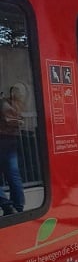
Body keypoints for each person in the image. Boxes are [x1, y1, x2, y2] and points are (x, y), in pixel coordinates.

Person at [0, 83, 27, 215]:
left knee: (13, 175)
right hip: (11, 140)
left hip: (3, 140)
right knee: (13, 175)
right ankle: (18, 206)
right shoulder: (16, 105)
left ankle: (8, 205)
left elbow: (8, 119)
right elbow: (17, 120)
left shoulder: (4, 104)